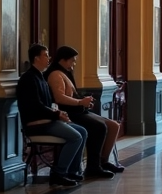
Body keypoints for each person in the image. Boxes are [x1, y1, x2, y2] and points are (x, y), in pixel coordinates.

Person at [45, 46, 121, 178]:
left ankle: (103, 161)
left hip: (78, 110)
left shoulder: (65, 73)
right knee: (99, 127)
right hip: (69, 113)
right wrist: (80, 102)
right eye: (72, 60)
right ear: (64, 60)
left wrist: (83, 101)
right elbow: (59, 97)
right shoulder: (55, 74)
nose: (74, 64)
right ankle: (93, 166)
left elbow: (73, 95)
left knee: (114, 125)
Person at [16, 44, 86, 187]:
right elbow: (35, 106)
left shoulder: (40, 77)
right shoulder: (29, 79)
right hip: (37, 124)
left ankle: (73, 171)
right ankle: (59, 174)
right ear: (36, 58)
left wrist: (59, 113)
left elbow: (48, 104)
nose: (49, 58)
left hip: (48, 120)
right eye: (46, 55)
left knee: (83, 131)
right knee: (75, 137)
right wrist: (57, 115)